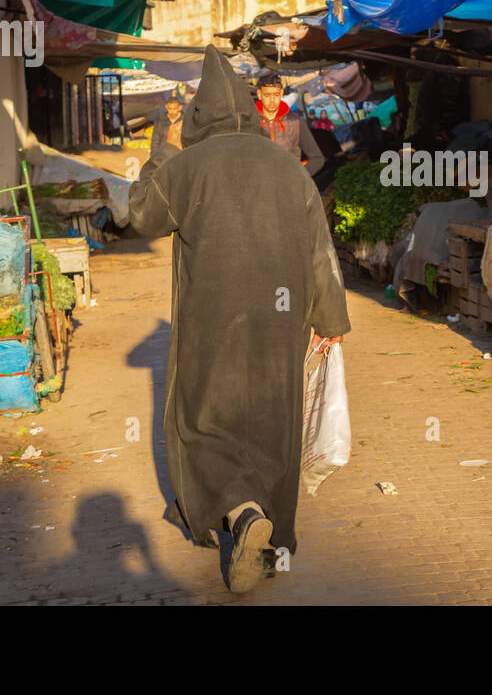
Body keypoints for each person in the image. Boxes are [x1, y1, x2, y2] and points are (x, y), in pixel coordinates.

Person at [128, 47, 351, 594]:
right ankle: (266, 535)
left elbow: (138, 217)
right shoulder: (285, 166)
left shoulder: (186, 166)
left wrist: (162, 148)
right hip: (283, 324)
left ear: (200, 117)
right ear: (252, 113)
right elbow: (319, 250)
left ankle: (243, 515)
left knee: (206, 421)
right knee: (273, 425)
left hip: (211, 323)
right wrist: (331, 318)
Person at [256, 73, 325, 178]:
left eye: (276, 95)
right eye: (267, 95)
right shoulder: (249, 123)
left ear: (281, 93)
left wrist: (298, 178)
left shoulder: (295, 122)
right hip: (258, 190)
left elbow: (317, 158)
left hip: (290, 190)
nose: (272, 100)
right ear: (259, 94)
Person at [148, 95, 186, 163]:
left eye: (174, 109)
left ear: (180, 107)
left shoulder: (186, 121)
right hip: (163, 158)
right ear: (166, 107)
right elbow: (155, 142)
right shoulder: (160, 121)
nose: (172, 111)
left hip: (180, 157)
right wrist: (153, 159)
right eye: (169, 109)